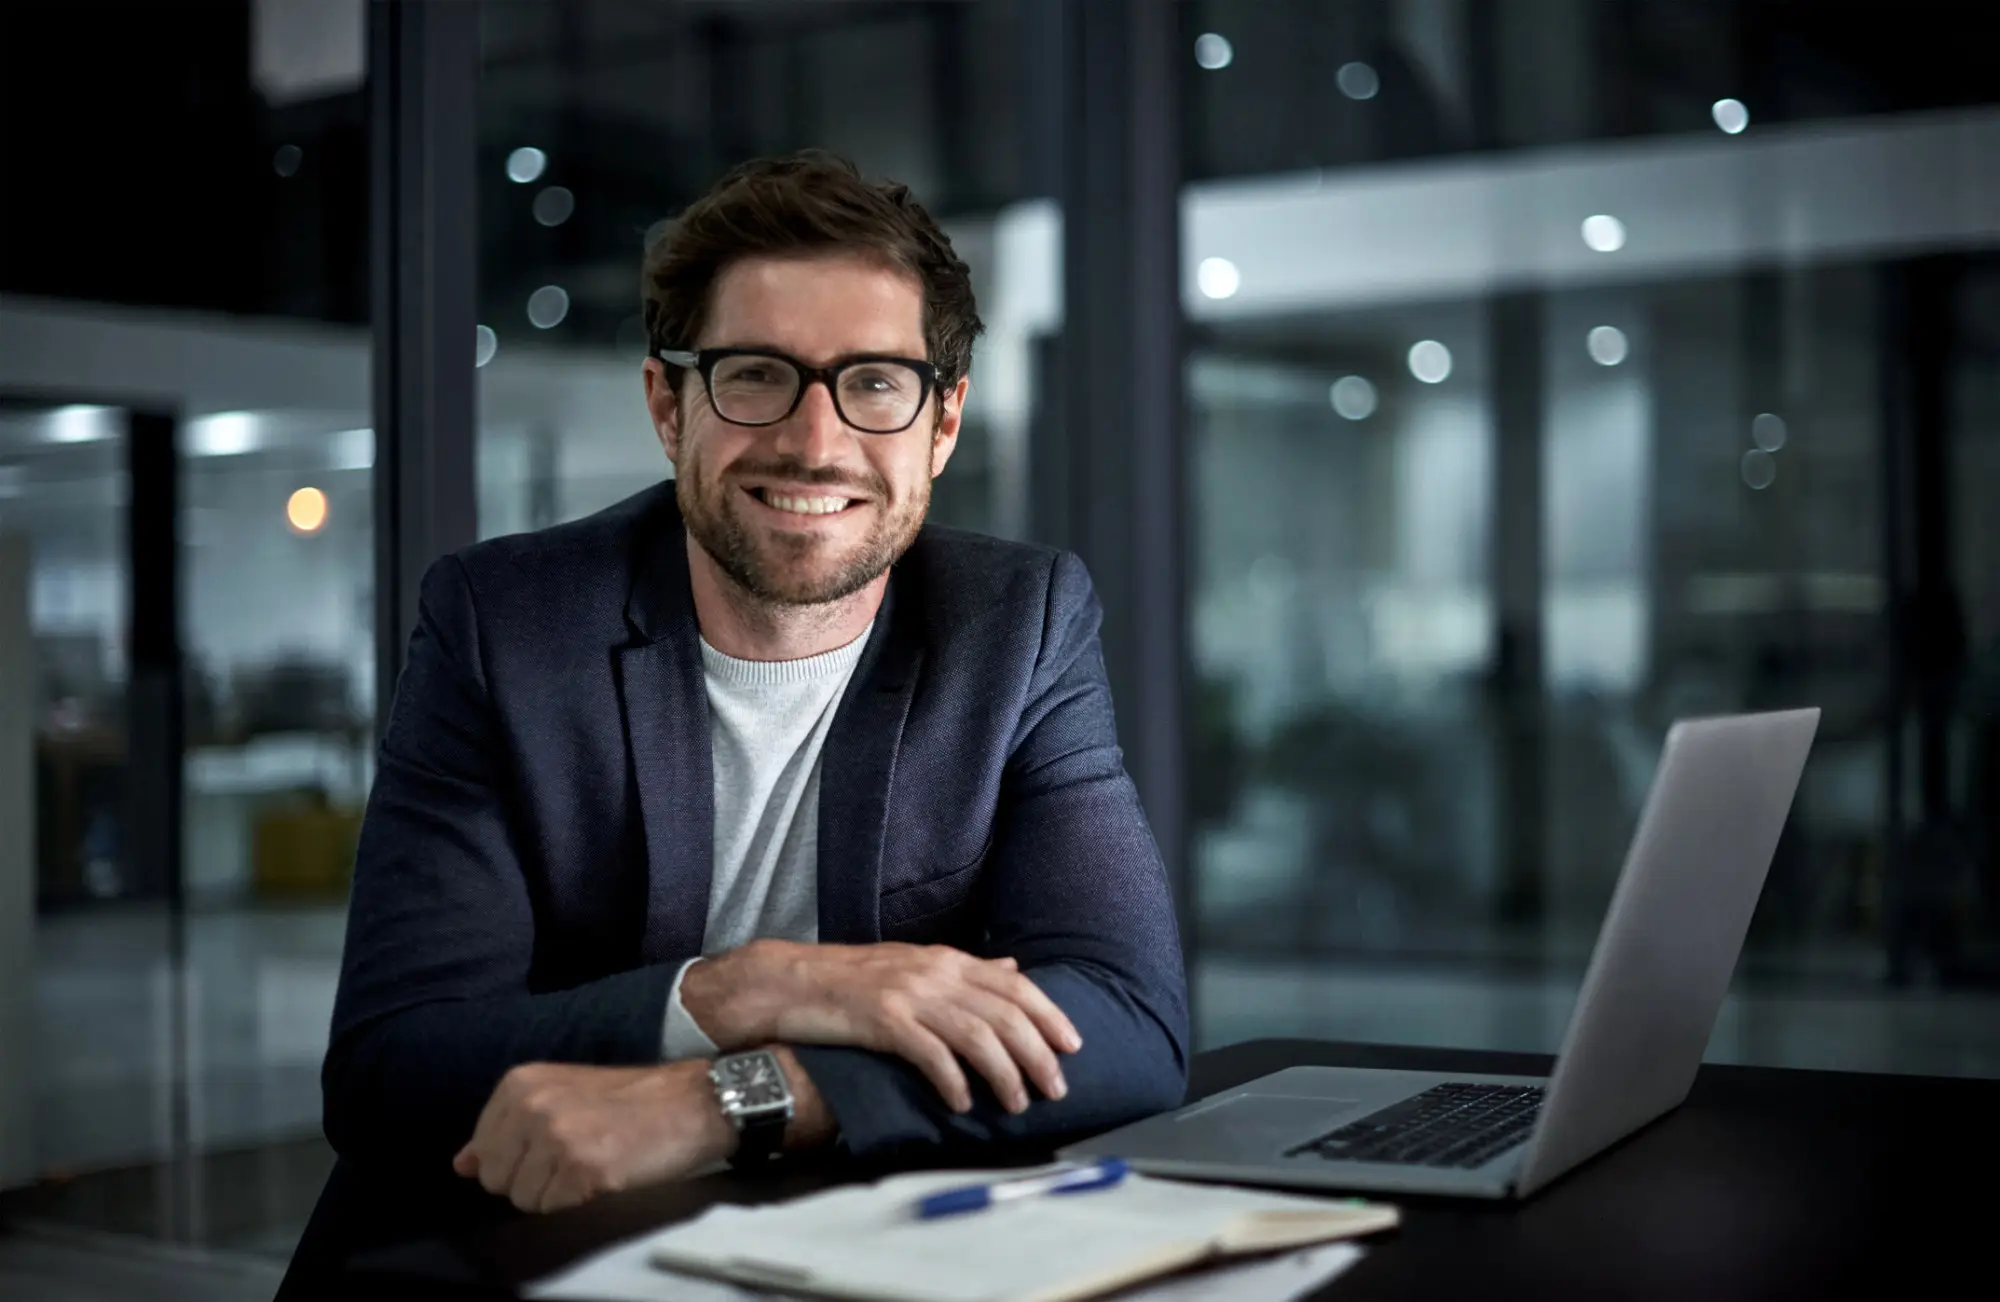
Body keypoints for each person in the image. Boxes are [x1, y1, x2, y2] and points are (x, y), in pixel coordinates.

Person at [306, 151, 1188, 1244]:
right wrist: (751, 989)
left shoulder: (1018, 625)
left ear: (942, 424)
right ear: (668, 408)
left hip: (841, 1245)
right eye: (756, 374)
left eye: (872, 382)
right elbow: (392, 1070)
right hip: (516, 1245)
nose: (815, 444)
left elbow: (1128, 1023)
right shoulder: (503, 626)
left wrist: (730, 1101)